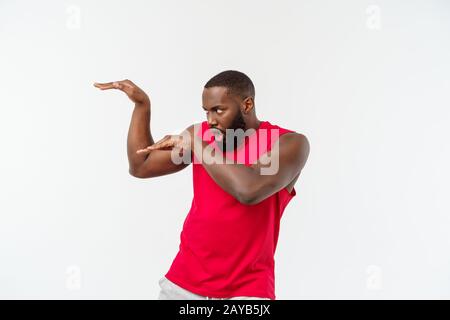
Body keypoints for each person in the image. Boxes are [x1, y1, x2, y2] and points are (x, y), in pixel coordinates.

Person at [94, 70, 310, 300]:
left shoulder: (287, 143)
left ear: (247, 105)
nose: (210, 120)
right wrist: (142, 106)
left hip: (247, 290)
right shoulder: (201, 136)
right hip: (183, 284)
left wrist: (197, 144)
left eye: (219, 110)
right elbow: (141, 166)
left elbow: (249, 190)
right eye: (206, 111)